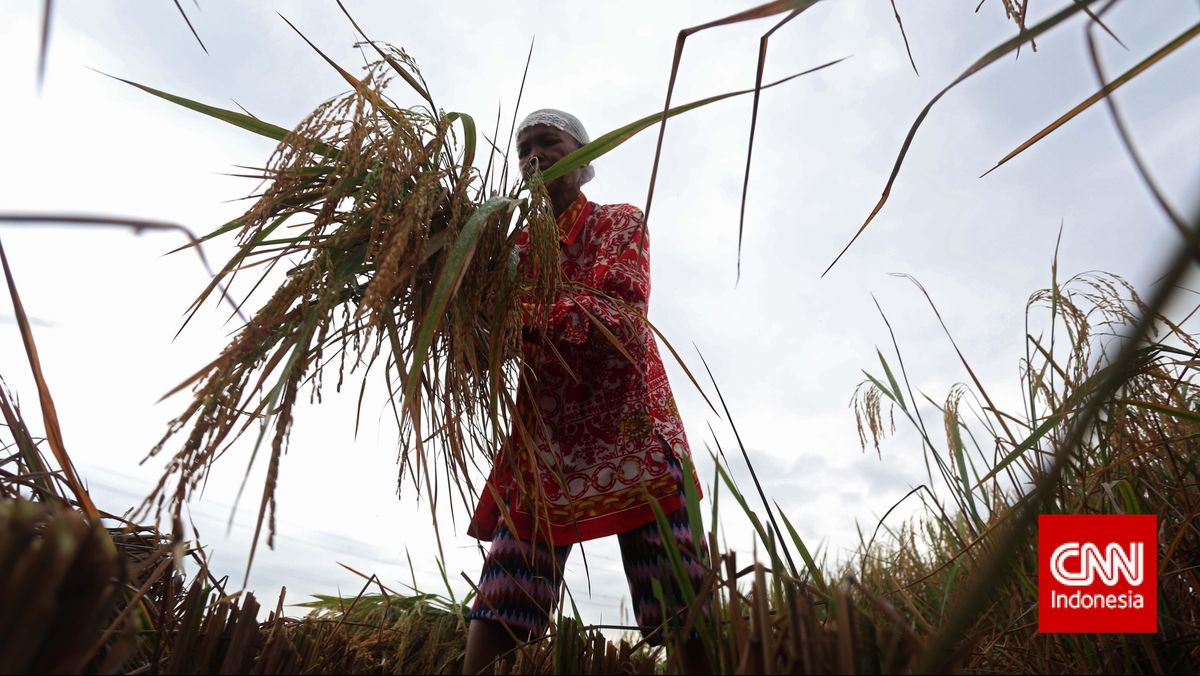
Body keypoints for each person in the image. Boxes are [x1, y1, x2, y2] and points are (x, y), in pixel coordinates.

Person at [461, 109, 711, 674]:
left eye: (548, 142)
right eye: (523, 148)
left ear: (583, 158)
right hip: (547, 438)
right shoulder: (514, 250)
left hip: (630, 428)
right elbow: (490, 333)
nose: (534, 155)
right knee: (505, 594)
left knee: (681, 596)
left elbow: (619, 317)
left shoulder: (620, 223)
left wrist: (516, 316)